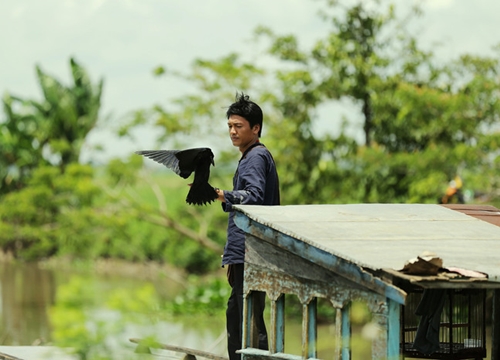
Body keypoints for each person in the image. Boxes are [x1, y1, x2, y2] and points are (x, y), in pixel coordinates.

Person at [215, 92, 280, 360]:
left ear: (256, 128)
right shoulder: (252, 156)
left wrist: (223, 195)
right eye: (230, 126)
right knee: (239, 312)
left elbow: (253, 196)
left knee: (247, 315)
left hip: (251, 249)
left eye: (238, 126)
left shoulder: (255, 156)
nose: (232, 131)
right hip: (245, 250)